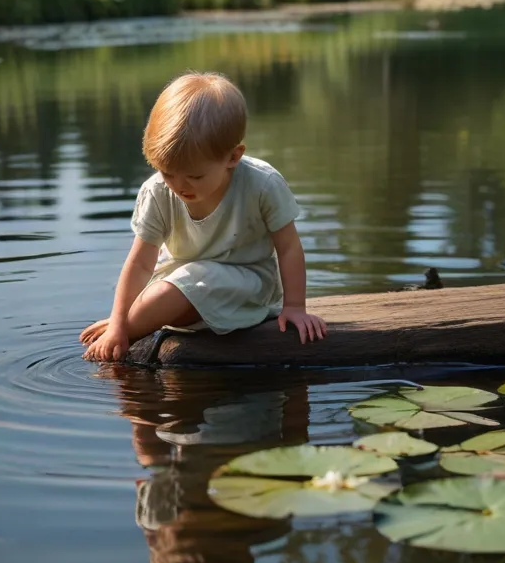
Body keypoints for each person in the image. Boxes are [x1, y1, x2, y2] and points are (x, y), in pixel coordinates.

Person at [80, 70, 327, 361]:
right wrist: (118, 319)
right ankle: (127, 326)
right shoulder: (158, 190)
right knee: (161, 291)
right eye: (168, 173)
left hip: (245, 281)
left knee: (173, 291)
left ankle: (132, 329)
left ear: (233, 157)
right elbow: (141, 261)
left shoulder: (263, 184)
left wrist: (295, 307)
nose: (179, 186)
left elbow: (288, 248)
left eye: (194, 176)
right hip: (177, 278)